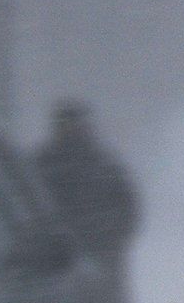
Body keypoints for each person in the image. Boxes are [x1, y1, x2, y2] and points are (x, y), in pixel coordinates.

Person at [32, 101, 141, 285]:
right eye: (65, 125)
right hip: (56, 262)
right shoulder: (41, 166)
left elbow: (128, 209)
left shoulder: (104, 164)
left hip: (102, 259)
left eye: (75, 124)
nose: (70, 130)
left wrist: (109, 240)